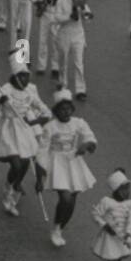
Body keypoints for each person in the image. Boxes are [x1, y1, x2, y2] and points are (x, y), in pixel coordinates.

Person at [0, 54, 52, 216]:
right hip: (9, 130)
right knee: (17, 164)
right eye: (22, 76)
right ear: (15, 76)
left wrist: (34, 122)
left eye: (27, 76)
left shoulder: (30, 91)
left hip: (25, 130)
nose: (25, 79)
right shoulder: (6, 88)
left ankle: (15, 184)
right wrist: (1, 101)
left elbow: (46, 111)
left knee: (24, 163)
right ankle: (9, 189)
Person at [36, 89, 97, 247]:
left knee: (71, 201)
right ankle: (56, 227)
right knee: (65, 198)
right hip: (56, 163)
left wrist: (86, 145)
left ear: (72, 109)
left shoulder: (79, 123)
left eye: (68, 108)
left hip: (74, 162)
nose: (66, 112)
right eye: (62, 109)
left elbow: (90, 138)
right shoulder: (50, 127)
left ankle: (59, 228)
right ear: (56, 111)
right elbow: (42, 150)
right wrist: (40, 174)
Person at [53, 0, 93, 101]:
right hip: (64, 33)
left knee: (78, 63)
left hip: (78, 35)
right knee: (63, 61)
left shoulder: (82, 2)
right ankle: (62, 83)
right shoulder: (61, 1)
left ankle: (80, 89)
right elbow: (57, 18)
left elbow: (87, 18)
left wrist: (87, 15)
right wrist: (69, 17)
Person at [31, 0, 64, 78]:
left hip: (56, 13)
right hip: (45, 13)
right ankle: (41, 66)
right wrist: (36, 1)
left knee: (56, 41)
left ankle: (55, 67)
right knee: (42, 40)